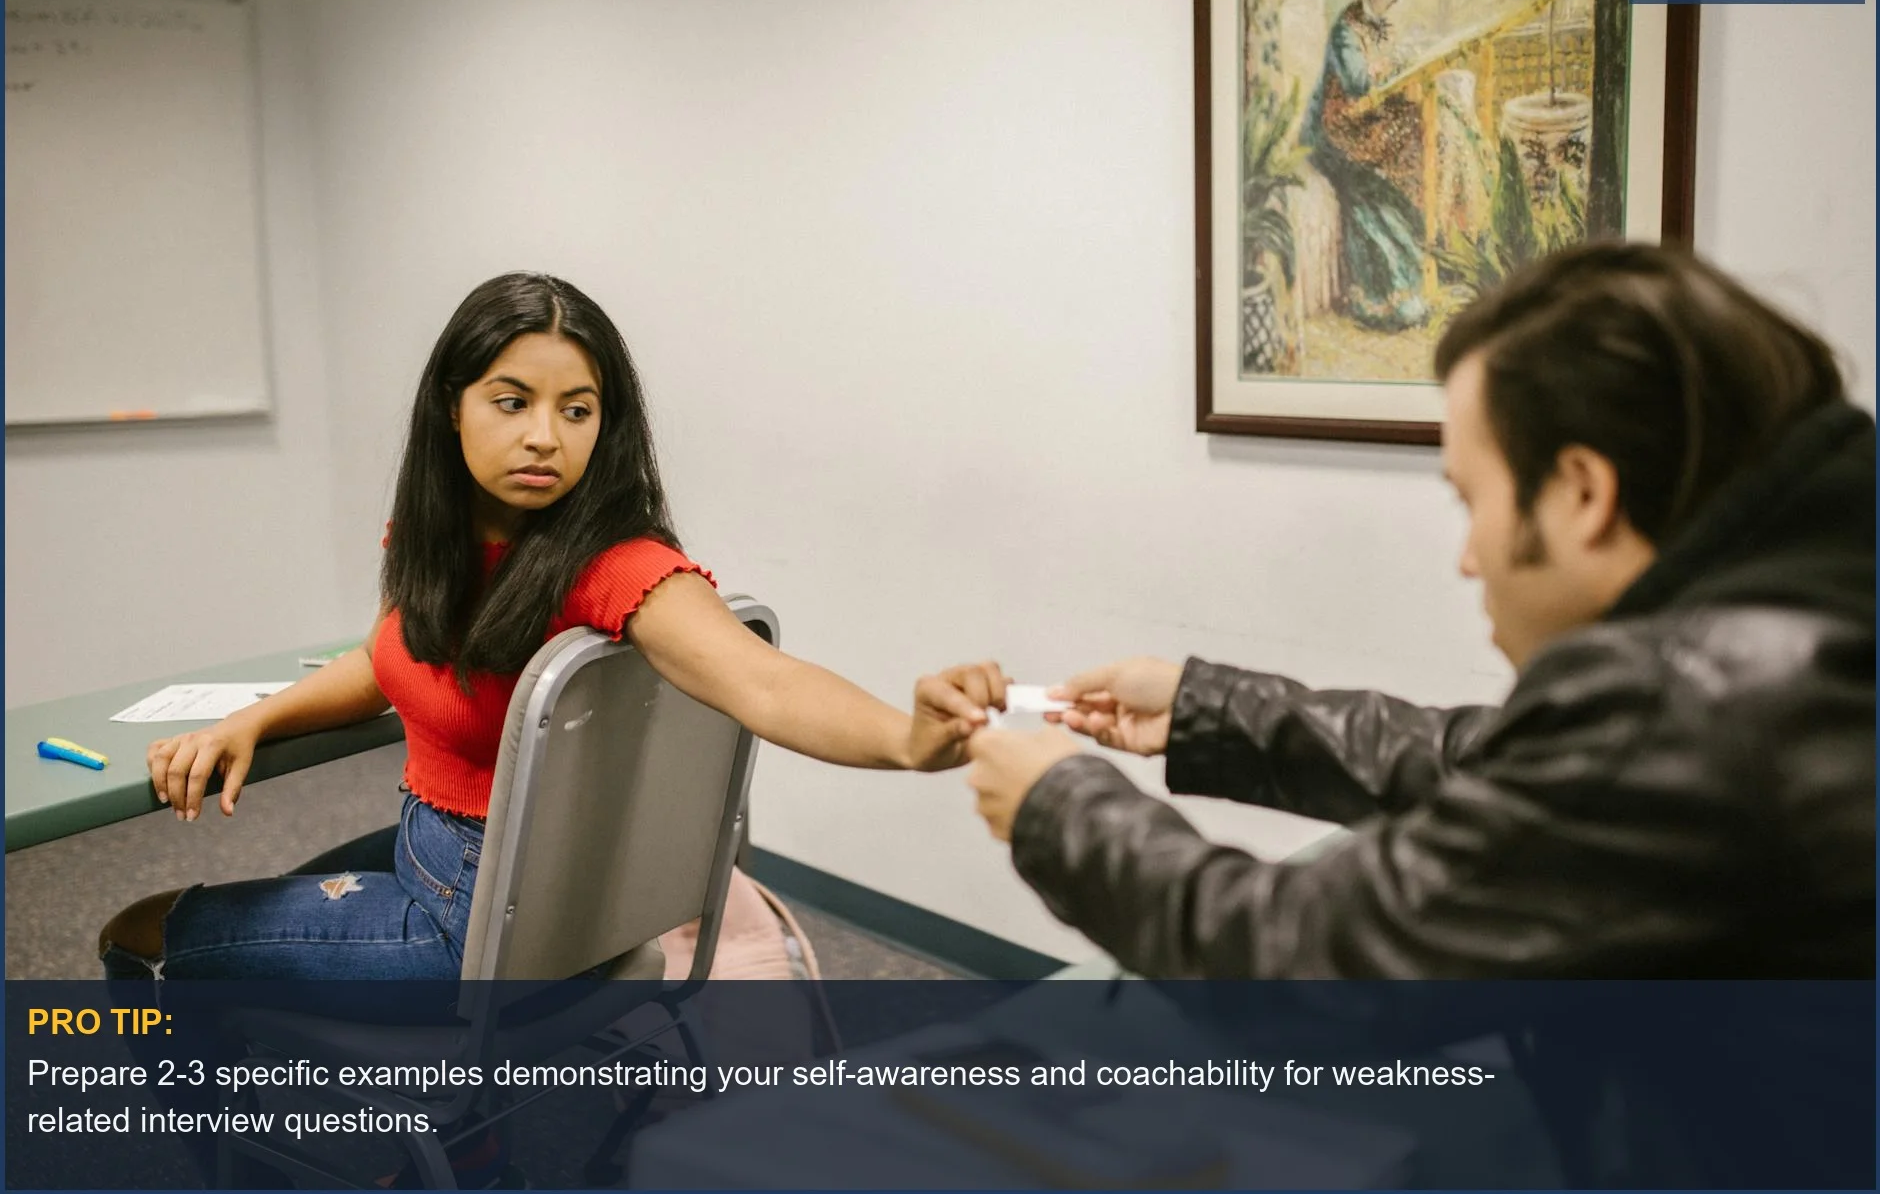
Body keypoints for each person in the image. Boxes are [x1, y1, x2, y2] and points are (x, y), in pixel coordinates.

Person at [952, 242, 1875, 1184]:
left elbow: (1305, 963)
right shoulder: (1805, 631)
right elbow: (1503, 761)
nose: (1468, 558)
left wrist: (1060, 805)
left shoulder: (1693, 702)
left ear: (1583, 493)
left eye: (1472, 500)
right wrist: (1206, 707)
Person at [99, 271, 1001, 983]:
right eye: (512, 400)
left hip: (473, 921)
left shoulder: (617, 566)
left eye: (576, 409)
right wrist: (253, 719)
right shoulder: (433, 537)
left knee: (139, 932)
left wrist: (909, 739)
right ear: (451, 405)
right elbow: (387, 660)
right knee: (247, 917)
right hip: (462, 865)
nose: (545, 436)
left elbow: (764, 680)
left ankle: (241, 1138)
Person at [1301, 0, 1431, 330]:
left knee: (1410, 139)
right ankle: (1382, 298)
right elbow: (1357, 83)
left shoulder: (1377, 22)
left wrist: (1402, 60)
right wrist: (1393, 62)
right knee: (1365, 190)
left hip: (1359, 123)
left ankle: (1413, 281)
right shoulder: (1346, 28)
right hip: (1333, 132)